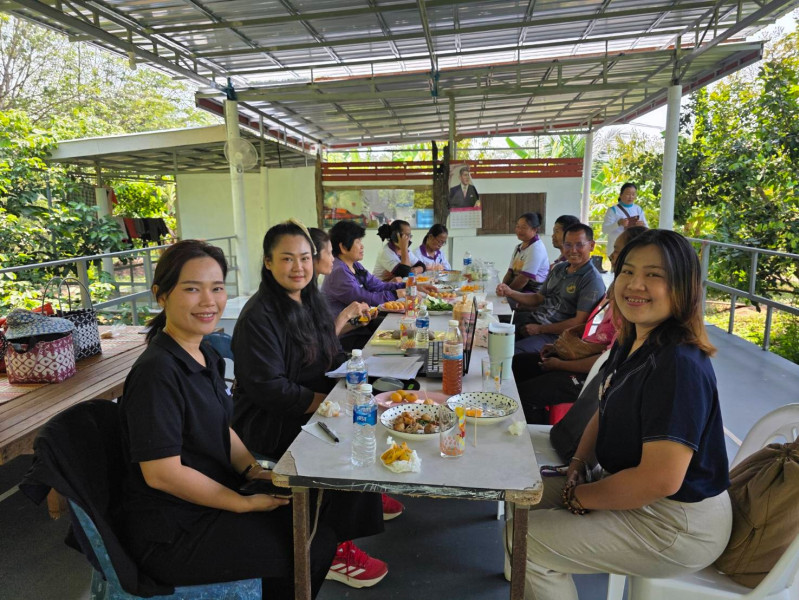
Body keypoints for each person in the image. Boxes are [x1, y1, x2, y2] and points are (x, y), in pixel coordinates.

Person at [514, 229, 732, 600]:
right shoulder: (635, 340)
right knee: (518, 490)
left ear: (683, 286)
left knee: (526, 539)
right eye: (627, 271)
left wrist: (581, 497)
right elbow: (604, 408)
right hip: (631, 488)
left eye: (653, 275)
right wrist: (578, 464)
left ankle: (531, 568)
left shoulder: (677, 364)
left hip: (676, 521)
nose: (634, 284)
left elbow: (659, 480)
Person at [117, 239, 337, 599]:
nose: (209, 301)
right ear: (161, 295)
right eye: (192, 289)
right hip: (172, 529)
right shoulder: (157, 372)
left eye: (217, 288)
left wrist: (253, 471)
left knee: (314, 515)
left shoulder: (204, 353)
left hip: (209, 496)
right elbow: (162, 474)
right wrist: (242, 502)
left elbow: (223, 426)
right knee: (309, 544)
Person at [231, 221, 388, 589]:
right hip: (270, 419)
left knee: (369, 418)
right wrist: (328, 403)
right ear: (268, 262)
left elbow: (328, 352)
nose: (298, 267)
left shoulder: (308, 298)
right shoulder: (259, 316)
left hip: (311, 403)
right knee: (348, 440)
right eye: (287, 259)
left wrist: (354, 380)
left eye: (304, 258)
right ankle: (330, 545)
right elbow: (269, 389)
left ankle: (352, 513)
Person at [512, 226, 647, 423]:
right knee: (516, 364)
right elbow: (596, 338)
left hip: (593, 376)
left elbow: (606, 362)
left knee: (525, 394)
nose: (611, 255)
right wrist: (561, 349)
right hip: (581, 354)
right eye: (568, 244)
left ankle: (531, 436)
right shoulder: (613, 289)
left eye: (617, 250)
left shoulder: (628, 304)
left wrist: (561, 364)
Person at [497, 223, 606, 355]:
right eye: (568, 245)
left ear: (591, 245)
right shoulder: (559, 268)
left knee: (507, 352)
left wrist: (540, 329)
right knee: (492, 330)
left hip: (556, 336)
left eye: (579, 245)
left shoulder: (592, 280)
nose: (573, 250)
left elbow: (579, 323)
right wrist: (510, 292)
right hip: (536, 320)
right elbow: (538, 298)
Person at [309, 227, 372, 338]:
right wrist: (346, 314)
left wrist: (357, 323)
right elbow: (322, 341)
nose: (333, 259)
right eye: (329, 253)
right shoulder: (304, 296)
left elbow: (329, 331)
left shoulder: (313, 290)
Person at [501, 212, 549, 293]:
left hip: (532, 292)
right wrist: (502, 287)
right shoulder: (518, 247)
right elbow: (510, 272)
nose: (519, 230)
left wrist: (507, 292)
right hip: (518, 290)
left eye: (523, 227)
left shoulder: (536, 248)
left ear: (534, 230)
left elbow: (524, 279)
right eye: (517, 226)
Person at [601, 182, 649, 254]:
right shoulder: (613, 210)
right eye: (628, 194)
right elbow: (605, 230)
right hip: (616, 247)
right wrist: (618, 223)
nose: (631, 197)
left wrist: (642, 226)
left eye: (633, 194)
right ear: (621, 195)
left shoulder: (638, 209)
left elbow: (647, 228)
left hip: (633, 247)